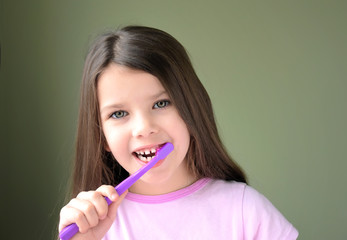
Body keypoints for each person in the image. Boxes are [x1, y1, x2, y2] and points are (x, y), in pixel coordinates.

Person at [58, 26, 298, 240]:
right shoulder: (94, 229)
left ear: (192, 110)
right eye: (119, 114)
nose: (143, 128)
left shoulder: (246, 211)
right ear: (101, 137)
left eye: (161, 104)